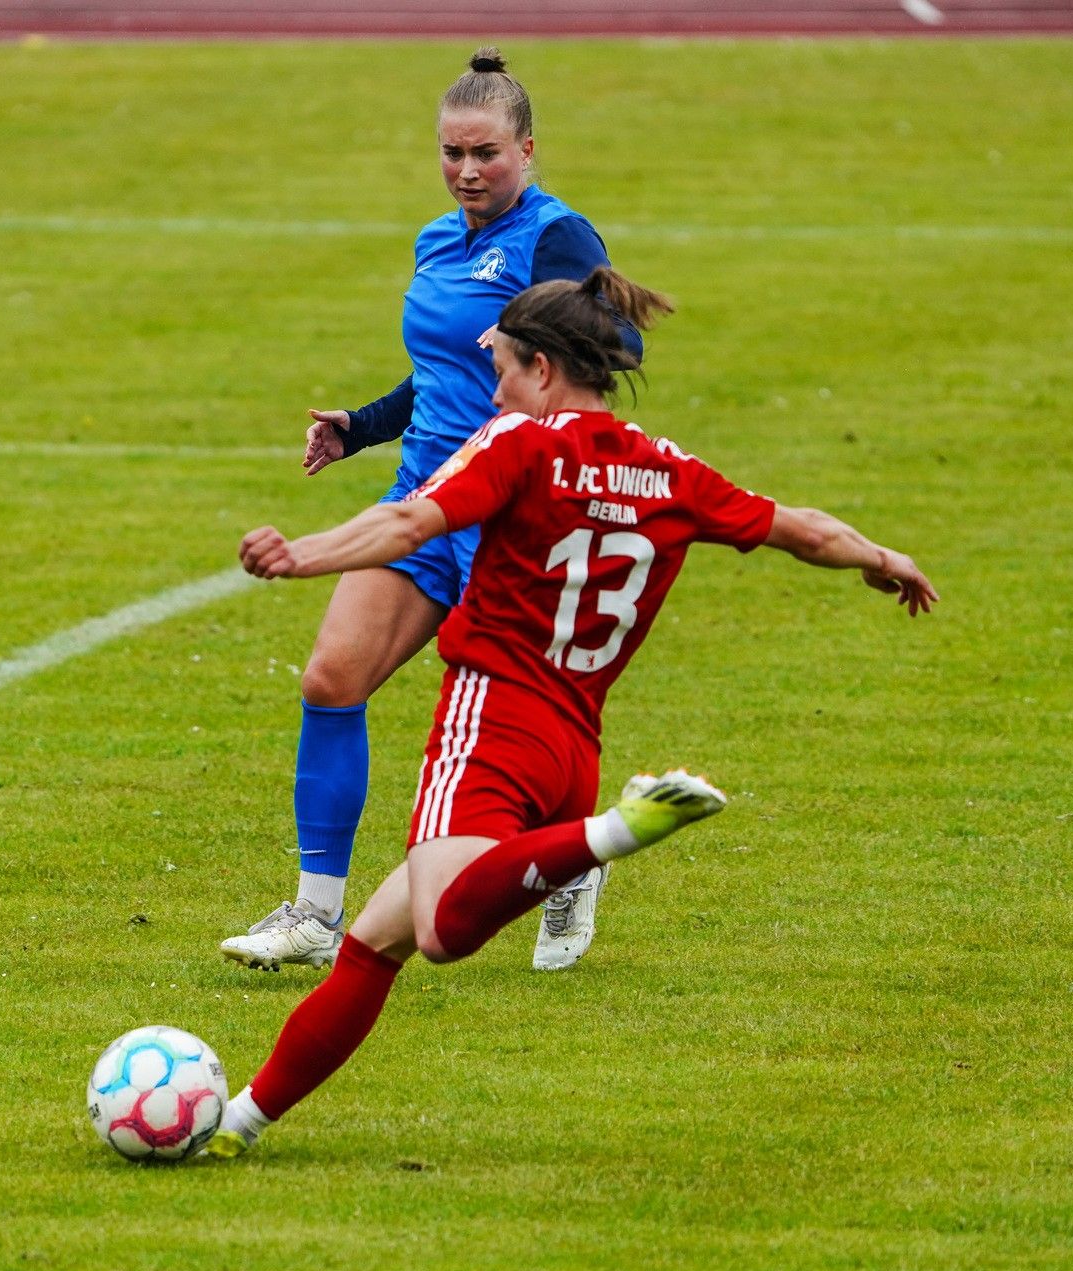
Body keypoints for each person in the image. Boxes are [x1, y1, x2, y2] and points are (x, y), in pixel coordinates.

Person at [204, 267, 938, 1158]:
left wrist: (303, 554)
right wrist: (883, 556)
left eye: (503, 371)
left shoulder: (520, 442)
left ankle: (612, 834)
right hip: (572, 742)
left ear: (543, 369)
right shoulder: (668, 469)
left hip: (491, 722)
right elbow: (803, 527)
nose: (494, 394)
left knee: (438, 927)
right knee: (373, 943)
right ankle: (236, 1123)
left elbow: (409, 523)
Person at [219, 48, 643, 977]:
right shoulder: (435, 240)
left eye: (486, 153)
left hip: (512, 517)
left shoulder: (557, 237)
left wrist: (534, 332)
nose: (467, 170)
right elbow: (442, 371)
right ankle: (315, 913)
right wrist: (360, 426)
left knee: (526, 731)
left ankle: (574, 858)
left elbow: (622, 341)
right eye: (452, 153)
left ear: (527, 150)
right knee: (332, 678)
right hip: (423, 499)